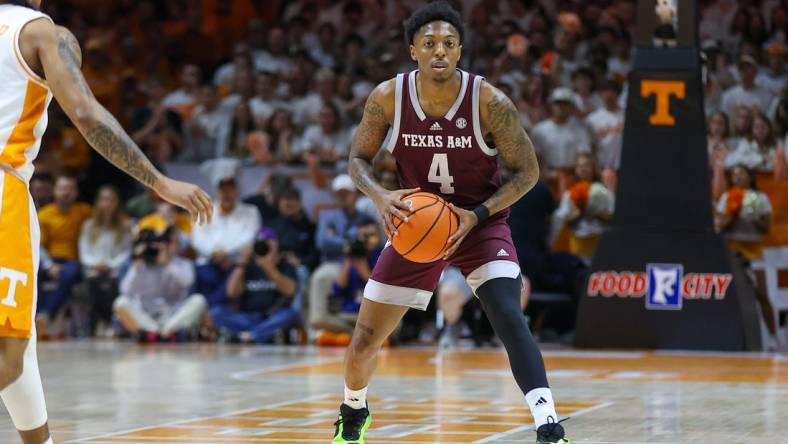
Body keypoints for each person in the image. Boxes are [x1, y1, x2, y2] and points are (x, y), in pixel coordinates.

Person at [332, 3, 570, 443]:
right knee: (365, 336)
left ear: (460, 51)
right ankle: (353, 410)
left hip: (480, 223)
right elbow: (357, 159)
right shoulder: (387, 97)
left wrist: (477, 213)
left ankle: (547, 424)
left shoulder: (490, 102)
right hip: (417, 225)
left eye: (447, 43)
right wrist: (381, 196)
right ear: (413, 51)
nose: (438, 51)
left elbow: (529, 172)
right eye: (429, 44)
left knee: (508, 315)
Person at [0, 2, 212, 443]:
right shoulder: (43, 33)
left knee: (20, 339)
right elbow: (85, 113)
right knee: (8, 353)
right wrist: (158, 182)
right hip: (3, 188)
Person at [113, 227, 207, 341]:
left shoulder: (183, 263)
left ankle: (161, 333)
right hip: (147, 317)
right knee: (120, 302)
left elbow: (188, 282)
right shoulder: (139, 265)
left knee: (199, 300)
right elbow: (125, 291)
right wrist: (136, 265)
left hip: (173, 317)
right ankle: (161, 333)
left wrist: (167, 264)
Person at [209, 228, 300, 344]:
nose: (265, 247)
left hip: (272, 316)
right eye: (261, 244)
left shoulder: (285, 266)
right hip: (247, 317)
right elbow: (231, 293)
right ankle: (260, 334)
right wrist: (242, 262)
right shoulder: (247, 266)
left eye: (269, 243)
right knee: (217, 312)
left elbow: (290, 290)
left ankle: (247, 336)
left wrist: (269, 268)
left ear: (276, 244)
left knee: (291, 314)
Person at [78, 185, 132, 336]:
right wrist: (96, 264)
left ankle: (113, 321)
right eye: (104, 199)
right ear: (98, 202)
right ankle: (99, 322)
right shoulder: (88, 225)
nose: (107, 203)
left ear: (117, 203)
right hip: (93, 266)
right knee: (93, 280)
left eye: (111, 200)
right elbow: (84, 251)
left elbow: (126, 252)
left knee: (115, 280)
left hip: (114, 268)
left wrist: (110, 265)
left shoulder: (123, 227)